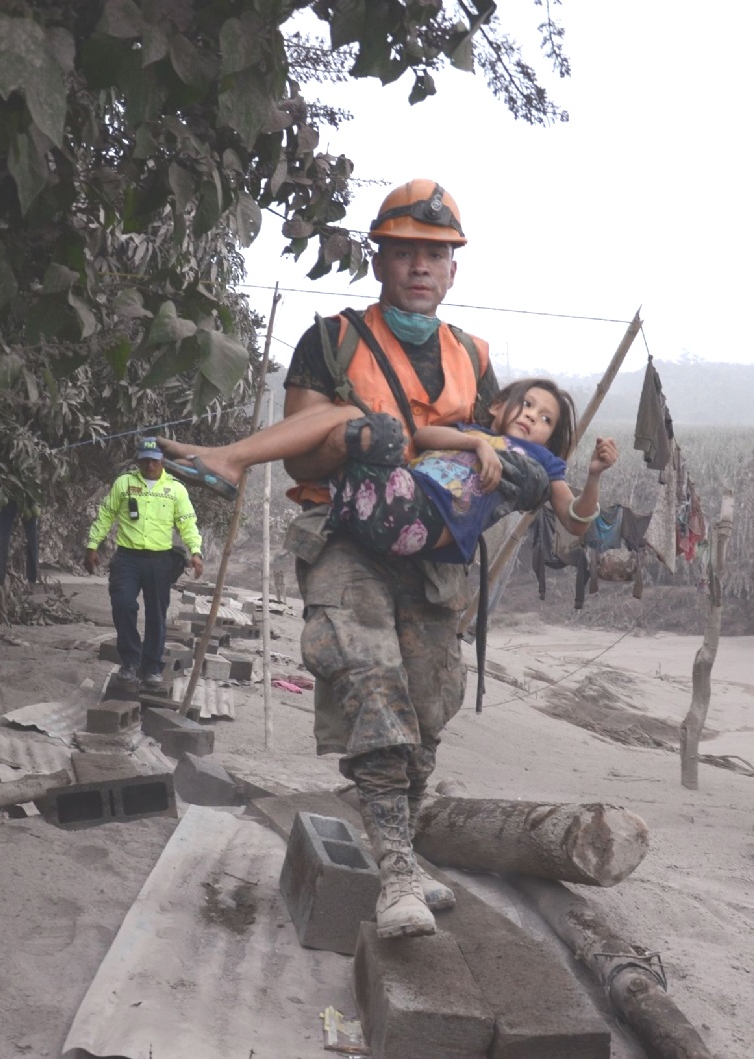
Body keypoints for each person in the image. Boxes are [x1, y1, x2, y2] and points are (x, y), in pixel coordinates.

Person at [189, 178, 615, 940]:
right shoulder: (334, 340)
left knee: (427, 702)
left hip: (436, 556)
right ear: (379, 258)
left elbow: (499, 456)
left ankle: (404, 853)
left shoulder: (473, 358)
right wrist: (359, 440)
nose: (421, 266)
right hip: (348, 535)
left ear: (453, 270)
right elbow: (302, 457)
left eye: (436, 255)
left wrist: (522, 477)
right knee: (372, 687)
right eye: (406, 251)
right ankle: (395, 874)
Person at [161, 375, 611, 561]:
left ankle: (230, 460)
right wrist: (478, 443)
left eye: (546, 419)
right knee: (350, 420)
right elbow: (426, 437)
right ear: (497, 406)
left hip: (422, 520)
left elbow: (575, 521)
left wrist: (592, 475)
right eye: (527, 404)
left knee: (362, 425)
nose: (532, 417)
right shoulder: (470, 431)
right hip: (390, 499)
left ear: (550, 438)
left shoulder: (541, 462)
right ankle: (230, 458)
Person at [84, 437, 204, 690]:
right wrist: (92, 545)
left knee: (156, 614)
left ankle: (152, 667)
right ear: (138, 460)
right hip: (127, 558)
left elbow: (187, 523)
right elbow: (106, 514)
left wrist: (196, 551)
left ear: (163, 461)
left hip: (159, 561)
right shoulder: (124, 483)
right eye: (145, 460)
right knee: (123, 604)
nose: (150, 466)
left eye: (154, 461)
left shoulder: (176, 489)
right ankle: (129, 661)